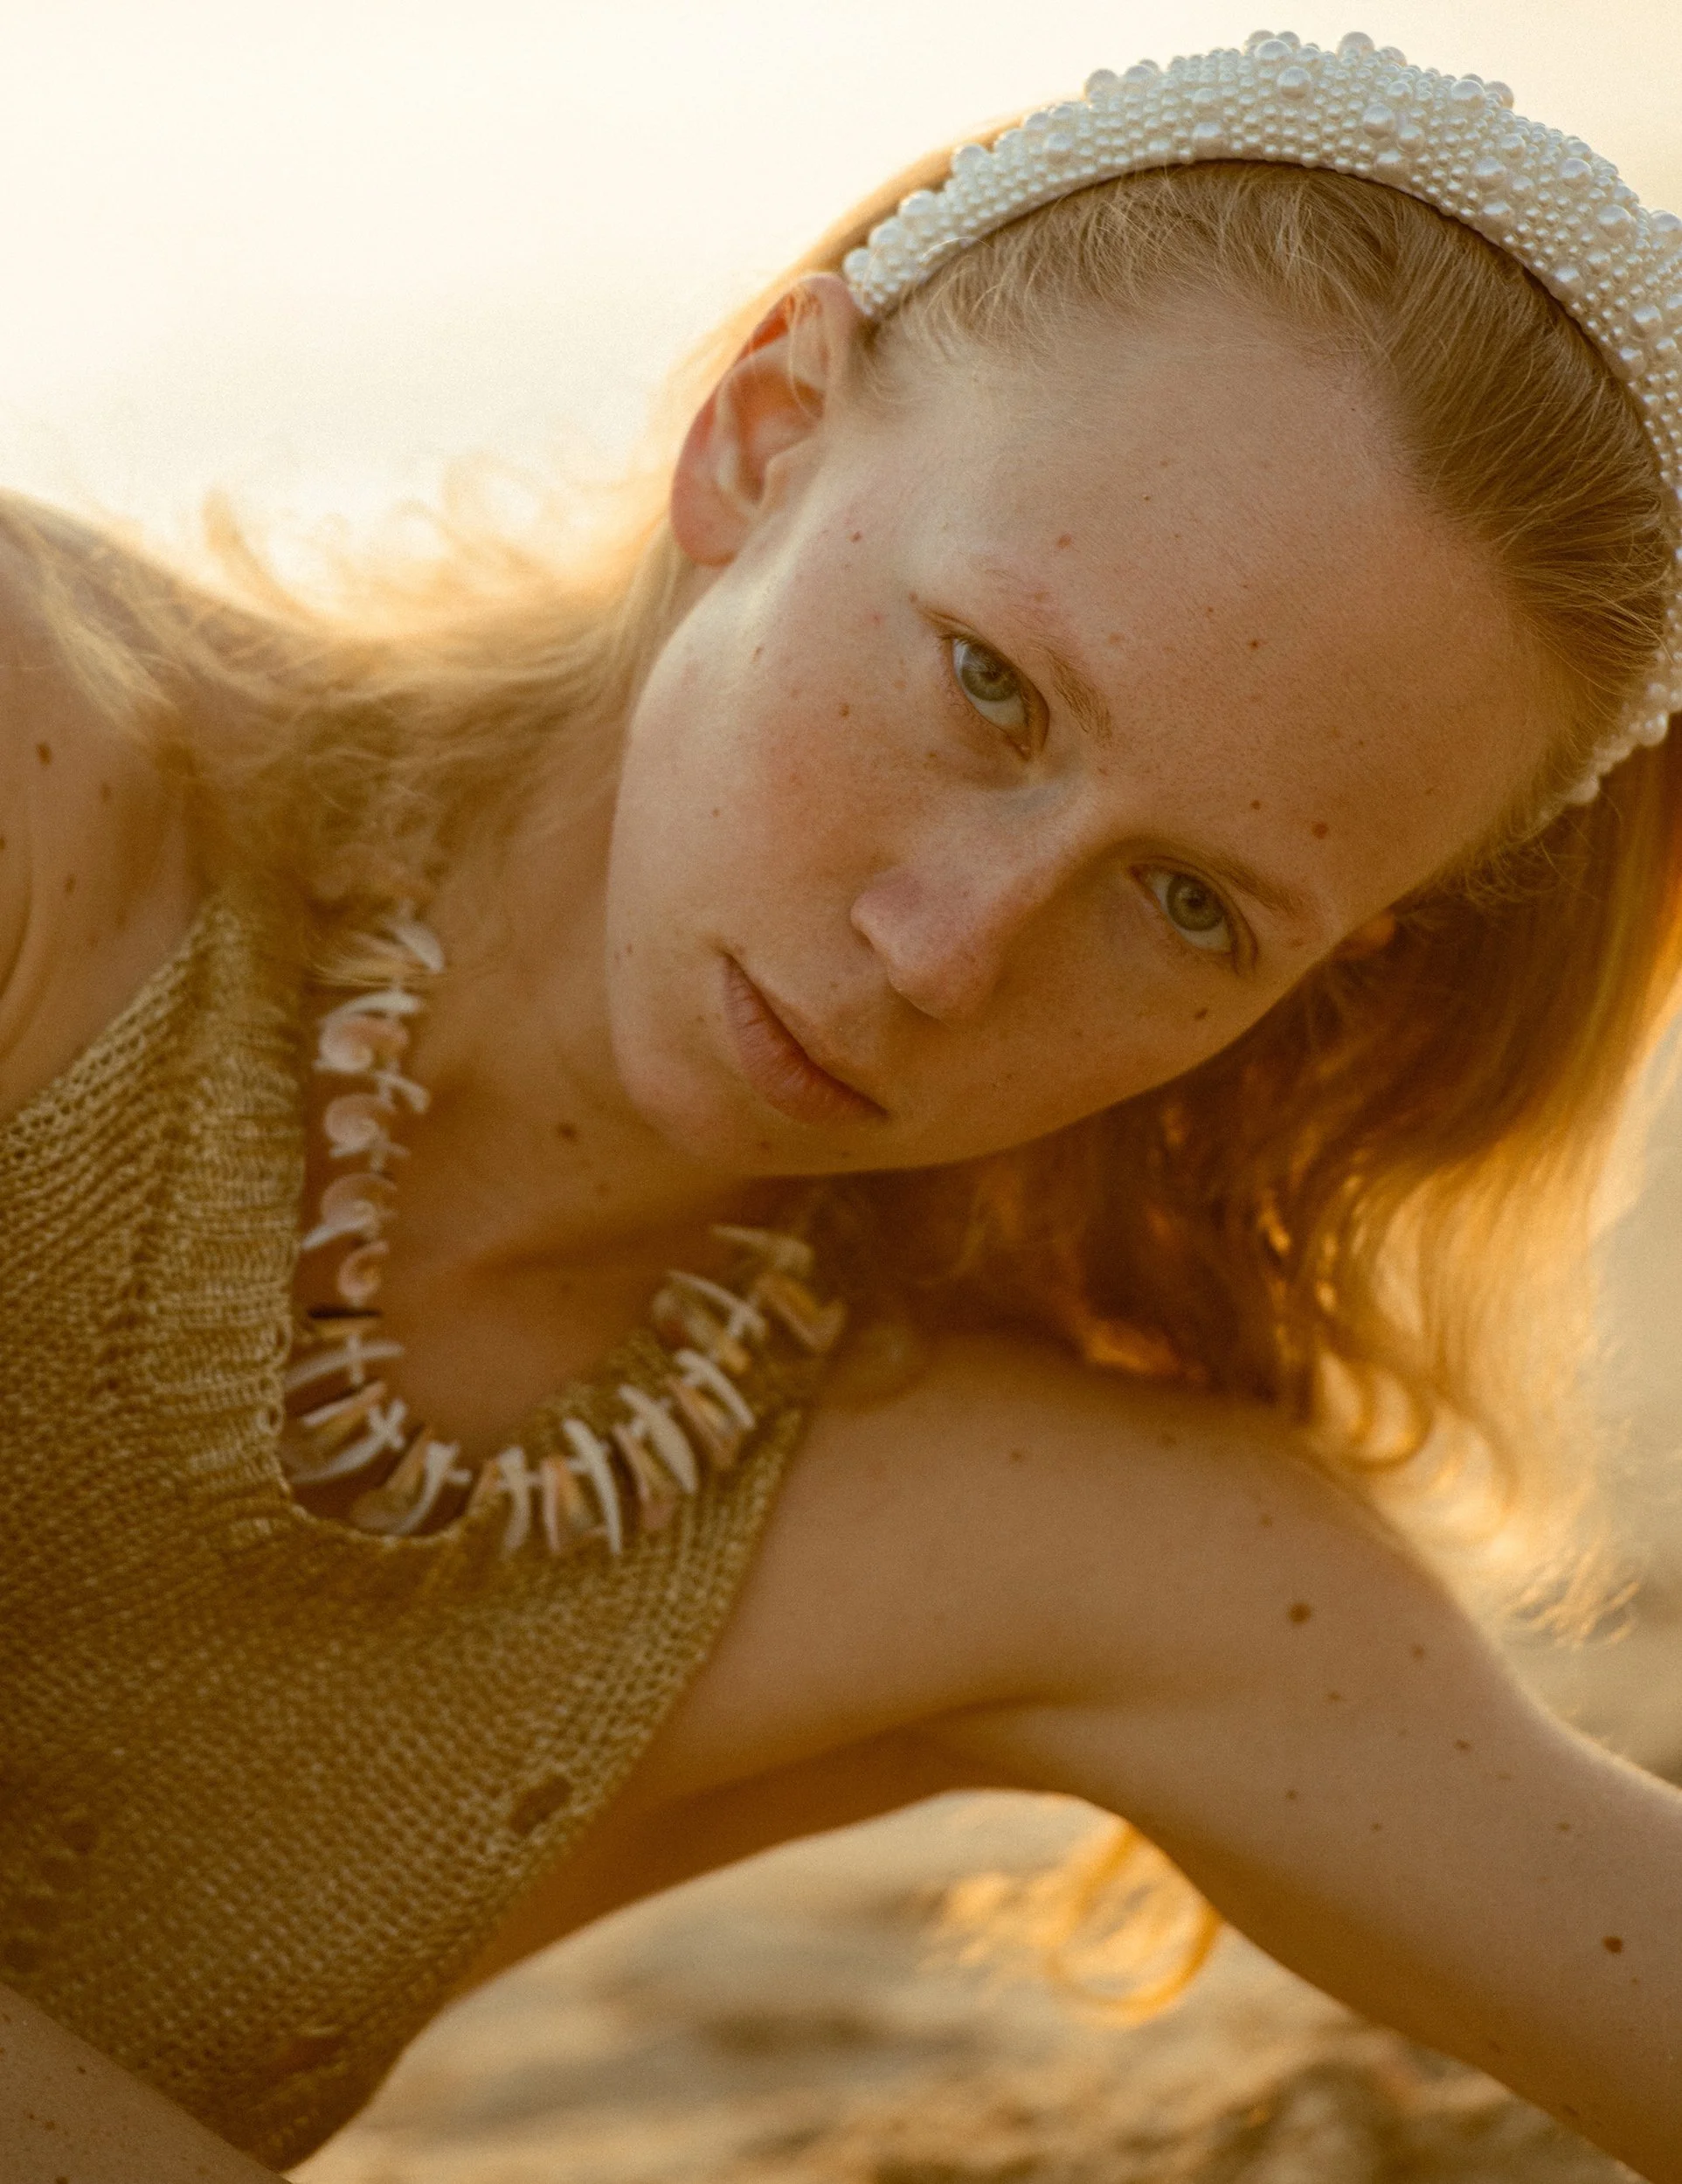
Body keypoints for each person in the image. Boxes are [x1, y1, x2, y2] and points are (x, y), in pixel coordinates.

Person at [3, 27, 1682, 2183]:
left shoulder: (1035, 1537)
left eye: (1187, 902)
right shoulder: (54, 786)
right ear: (763, 434)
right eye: (986, 683)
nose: (942, 948)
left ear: (1321, 972)